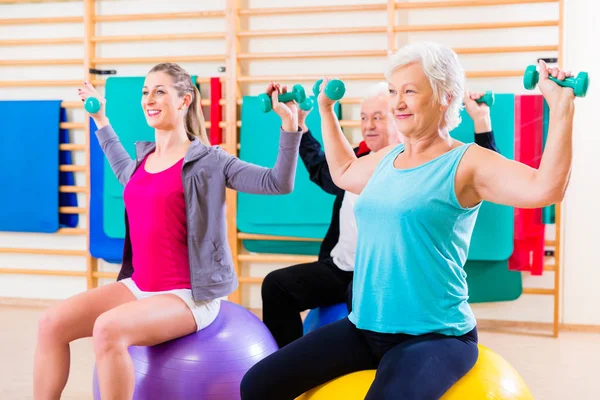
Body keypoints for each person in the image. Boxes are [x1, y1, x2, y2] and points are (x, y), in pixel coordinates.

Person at [241, 42, 576, 400]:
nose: (397, 101)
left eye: (410, 91)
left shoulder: (467, 162)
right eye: (393, 91)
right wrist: (325, 110)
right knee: (258, 385)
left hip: (435, 335)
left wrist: (561, 109)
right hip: (364, 327)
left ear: (445, 97)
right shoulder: (388, 157)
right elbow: (343, 171)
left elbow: (545, 188)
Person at [33, 63, 303, 400]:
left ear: (184, 100)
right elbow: (120, 166)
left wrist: (291, 127)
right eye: (146, 92)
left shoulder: (209, 160)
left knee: (107, 329)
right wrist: (100, 118)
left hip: (189, 294)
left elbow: (277, 182)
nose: (149, 98)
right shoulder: (144, 160)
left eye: (160, 91)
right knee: (51, 323)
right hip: (139, 285)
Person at [261, 81, 500, 349]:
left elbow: (484, 175)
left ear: (400, 120)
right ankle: (290, 362)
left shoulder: (421, 167)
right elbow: (319, 166)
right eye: (363, 118)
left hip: (387, 276)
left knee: (364, 304)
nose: (368, 125)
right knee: (276, 286)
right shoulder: (355, 162)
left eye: (377, 117)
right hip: (340, 269)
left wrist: (481, 120)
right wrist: (300, 123)